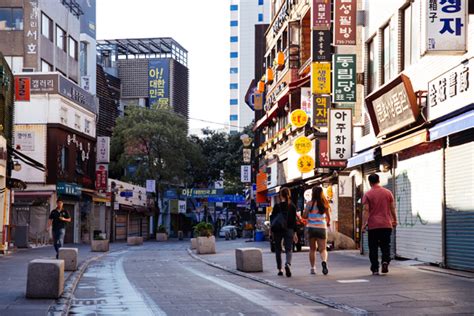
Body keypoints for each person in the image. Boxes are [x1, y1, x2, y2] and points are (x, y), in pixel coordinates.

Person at [362, 174, 398, 275]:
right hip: (386, 224)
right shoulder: (388, 193)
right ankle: (385, 261)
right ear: (379, 180)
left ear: (369, 182)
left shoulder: (368, 194)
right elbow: (392, 208)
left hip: (373, 225)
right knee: (385, 246)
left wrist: (364, 224)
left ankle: (375, 268)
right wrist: (395, 220)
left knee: (373, 247)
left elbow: (366, 210)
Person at [303, 186, 331, 275]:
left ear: (313, 194)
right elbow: (328, 218)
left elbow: (304, 216)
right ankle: (324, 261)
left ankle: (313, 268)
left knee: (312, 249)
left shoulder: (309, 203)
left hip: (311, 228)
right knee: (323, 249)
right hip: (322, 228)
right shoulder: (325, 203)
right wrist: (327, 223)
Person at [270, 187, 298, 277]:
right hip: (289, 229)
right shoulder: (292, 206)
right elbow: (294, 221)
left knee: (278, 249)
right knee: (288, 249)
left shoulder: (277, 206)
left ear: (281, 195)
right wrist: (295, 233)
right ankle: (287, 264)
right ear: (289, 194)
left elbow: (272, 219)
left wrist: (271, 231)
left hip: (278, 230)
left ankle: (280, 269)